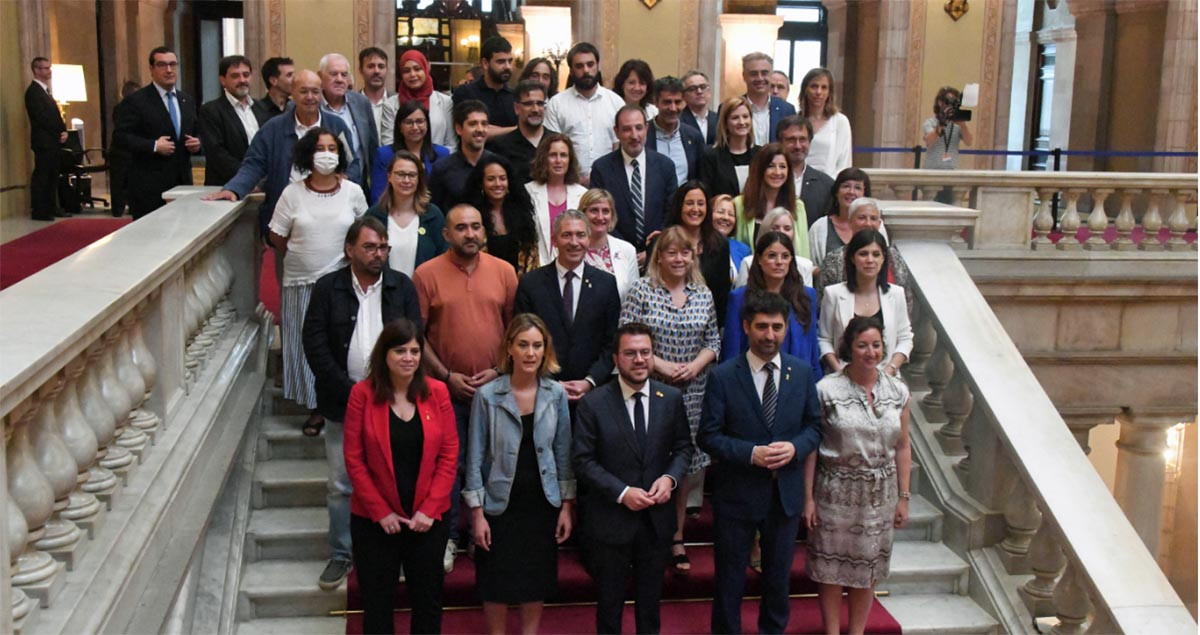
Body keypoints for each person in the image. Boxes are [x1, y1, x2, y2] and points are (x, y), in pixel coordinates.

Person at [302, 216, 422, 592]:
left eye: (384, 247)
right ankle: (342, 553)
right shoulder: (327, 288)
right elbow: (315, 343)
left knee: (398, 477)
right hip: (343, 401)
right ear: (349, 250)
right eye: (370, 247)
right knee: (341, 482)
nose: (379, 254)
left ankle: (398, 553)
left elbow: (413, 337)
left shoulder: (401, 286)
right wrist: (350, 389)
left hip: (396, 400)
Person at [697, 291, 822, 634]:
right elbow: (707, 437)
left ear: (786, 330)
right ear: (746, 327)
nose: (770, 335)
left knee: (778, 581)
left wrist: (796, 448)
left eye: (777, 327)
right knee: (729, 581)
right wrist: (751, 453)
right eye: (762, 327)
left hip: (784, 496)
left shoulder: (801, 373)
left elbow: (814, 427)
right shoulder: (722, 376)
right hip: (736, 495)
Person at [413, 204, 518, 572]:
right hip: (445, 391)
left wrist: (498, 370)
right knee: (450, 465)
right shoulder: (426, 275)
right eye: (461, 227)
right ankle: (450, 538)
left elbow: (515, 331)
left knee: (493, 463)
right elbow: (417, 337)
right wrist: (445, 376)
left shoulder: (505, 272)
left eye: (476, 227)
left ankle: (484, 534)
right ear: (446, 233)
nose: (470, 234)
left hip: (496, 388)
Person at [572, 322, 693, 634]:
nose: (639, 360)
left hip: (656, 521)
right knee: (609, 606)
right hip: (610, 520)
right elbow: (583, 461)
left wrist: (670, 479)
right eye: (630, 353)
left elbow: (683, 449)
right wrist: (622, 492)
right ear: (615, 359)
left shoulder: (671, 398)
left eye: (645, 353)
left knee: (650, 606)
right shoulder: (593, 403)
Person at [343, 318, 457, 634]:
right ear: (384, 355)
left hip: (427, 520)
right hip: (374, 522)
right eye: (399, 351)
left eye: (414, 351)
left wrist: (429, 510)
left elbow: (449, 456)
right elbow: (354, 460)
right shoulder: (361, 395)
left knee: (428, 602)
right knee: (377, 605)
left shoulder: (438, 392)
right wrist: (381, 512)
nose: (408, 358)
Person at [464, 314, 575, 635]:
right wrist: (477, 513)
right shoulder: (487, 396)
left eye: (537, 346)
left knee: (535, 578)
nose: (530, 353)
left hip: (542, 502)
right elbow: (475, 456)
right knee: (495, 579)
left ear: (545, 351)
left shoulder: (556, 394)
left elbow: (563, 452)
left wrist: (567, 505)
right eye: (523, 345)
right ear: (509, 348)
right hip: (500, 504)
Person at [620, 226, 720, 575]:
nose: (679, 259)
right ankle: (640, 536)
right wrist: (658, 365)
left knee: (683, 465)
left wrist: (694, 365)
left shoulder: (703, 294)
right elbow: (627, 335)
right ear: (659, 256)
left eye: (685, 253)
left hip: (692, 392)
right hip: (647, 386)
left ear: (693, 257)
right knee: (646, 460)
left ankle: (676, 536)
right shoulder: (641, 290)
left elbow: (713, 341)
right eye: (671, 252)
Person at [805, 316, 911, 635]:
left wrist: (903, 497)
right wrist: (807, 498)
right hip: (834, 490)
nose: (870, 352)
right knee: (832, 569)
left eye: (876, 345)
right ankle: (832, 631)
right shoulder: (826, 389)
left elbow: (903, 446)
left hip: (881, 492)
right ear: (848, 347)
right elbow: (811, 446)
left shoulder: (898, 391)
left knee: (868, 568)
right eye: (862, 345)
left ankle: (857, 631)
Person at [271, 127, 369, 436]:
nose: (326, 153)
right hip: (301, 282)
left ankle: (346, 404)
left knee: (342, 345)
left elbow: (364, 232)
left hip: (342, 282)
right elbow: (277, 235)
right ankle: (314, 407)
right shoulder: (292, 193)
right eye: (319, 147)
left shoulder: (353, 191)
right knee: (306, 347)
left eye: (332, 148)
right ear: (307, 154)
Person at [205, 70, 361, 247]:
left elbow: (354, 163)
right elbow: (254, 164)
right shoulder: (273, 128)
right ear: (292, 93)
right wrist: (234, 189)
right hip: (289, 220)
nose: (310, 97)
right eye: (303, 91)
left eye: (315, 91)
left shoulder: (336, 126)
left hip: (331, 218)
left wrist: (344, 178)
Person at [515, 210, 621, 402]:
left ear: (589, 239)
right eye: (566, 235)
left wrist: (590, 381)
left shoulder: (606, 284)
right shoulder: (531, 283)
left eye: (580, 235)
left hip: (593, 395)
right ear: (554, 240)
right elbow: (521, 340)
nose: (574, 242)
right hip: (541, 392)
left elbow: (612, 342)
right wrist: (550, 383)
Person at [113, 46, 201, 219]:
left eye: (173, 65)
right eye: (162, 65)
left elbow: (196, 131)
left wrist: (197, 143)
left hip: (182, 183)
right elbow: (120, 138)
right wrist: (153, 145)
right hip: (149, 186)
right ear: (151, 69)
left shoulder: (187, 100)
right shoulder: (136, 101)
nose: (169, 70)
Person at [723, 232, 821, 379]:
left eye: (785, 256)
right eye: (772, 256)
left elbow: (812, 348)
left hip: (798, 380)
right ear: (759, 260)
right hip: (751, 379)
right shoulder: (739, 298)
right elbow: (732, 351)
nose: (779, 262)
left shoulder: (807, 297)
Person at [818, 230, 912, 376]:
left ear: (883, 259)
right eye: (863, 254)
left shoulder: (896, 294)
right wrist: (840, 372)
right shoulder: (833, 294)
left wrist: (890, 369)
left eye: (876, 254)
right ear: (852, 258)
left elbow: (905, 338)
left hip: (887, 378)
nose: (870, 260)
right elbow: (824, 339)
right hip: (842, 378)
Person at [590, 106, 679, 258]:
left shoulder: (665, 166)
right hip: (616, 254)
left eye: (639, 128)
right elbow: (600, 214)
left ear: (647, 128)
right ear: (616, 132)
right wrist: (626, 251)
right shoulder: (602, 168)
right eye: (626, 129)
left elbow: (671, 212)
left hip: (658, 255)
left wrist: (652, 250)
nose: (634, 135)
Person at [649, 181, 732, 324]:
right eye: (689, 203)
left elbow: (721, 295)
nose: (695, 209)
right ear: (679, 206)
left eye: (700, 203)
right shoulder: (660, 241)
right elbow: (651, 283)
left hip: (704, 325)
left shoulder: (720, 245)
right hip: (661, 321)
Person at [543, 42, 625, 180]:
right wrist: (575, 179)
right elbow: (552, 147)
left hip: (608, 181)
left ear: (598, 66)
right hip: (569, 183)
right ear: (571, 70)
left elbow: (620, 145)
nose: (586, 70)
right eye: (579, 66)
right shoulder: (557, 104)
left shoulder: (615, 102)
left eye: (590, 64)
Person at [817, 197, 910, 312]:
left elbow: (906, 301)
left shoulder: (893, 257)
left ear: (879, 223)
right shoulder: (834, 259)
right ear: (850, 222)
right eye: (862, 218)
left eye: (873, 218)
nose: (868, 223)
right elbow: (823, 304)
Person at [365, 151, 447, 277]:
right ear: (389, 177)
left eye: (412, 175)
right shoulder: (374, 215)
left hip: (423, 292)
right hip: (383, 292)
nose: (406, 180)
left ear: (419, 179)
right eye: (400, 174)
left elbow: (444, 257)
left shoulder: (433, 215)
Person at [199, 55, 270, 186]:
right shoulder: (211, 111)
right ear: (223, 80)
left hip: (262, 186)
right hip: (226, 186)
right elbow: (217, 154)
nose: (242, 80)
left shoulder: (262, 108)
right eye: (235, 76)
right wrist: (249, 177)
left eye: (246, 74)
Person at [466, 153, 540, 276]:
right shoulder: (471, 216)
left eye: (502, 178)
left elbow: (532, 258)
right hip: (483, 286)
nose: (498, 184)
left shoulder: (522, 214)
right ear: (481, 183)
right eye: (491, 179)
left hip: (519, 287)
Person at [734, 143, 811, 259]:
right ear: (760, 169)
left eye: (782, 166)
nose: (777, 172)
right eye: (771, 166)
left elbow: (804, 253)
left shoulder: (797, 206)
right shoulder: (739, 204)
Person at [319, 53, 379, 192]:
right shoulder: (312, 105)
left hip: (358, 186)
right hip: (322, 186)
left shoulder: (361, 103)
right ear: (321, 76)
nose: (339, 79)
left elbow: (372, 146)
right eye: (333, 74)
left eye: (344, 74)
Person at [371, 100, 451, 201]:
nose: (415, 127)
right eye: (409, 122)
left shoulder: (442, 154)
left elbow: (446, 195)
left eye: (420, 121)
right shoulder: (384, 155)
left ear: (427, 124)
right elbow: (378, 197)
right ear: (400, 126)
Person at [525, 133, 586, 264]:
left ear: (570, 160)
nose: (558, 160)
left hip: (573, 265)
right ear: (544, 158)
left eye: (563, 155)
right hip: (538, 266)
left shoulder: (582, 194)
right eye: (553, 155)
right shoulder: (528, 192)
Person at [809, 167, 882, 271]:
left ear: (864, 194)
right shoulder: (819, 227)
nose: (851, 192)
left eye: (857, 188)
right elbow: (808, 266)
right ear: (836, 192)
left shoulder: (876, 224)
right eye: (846, 186)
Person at [382, 50, 456, 148]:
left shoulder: (445, 102)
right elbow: (388, 144)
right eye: (406, 71)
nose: (412, 74)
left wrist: (438, 162)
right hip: (401, 161)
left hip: (439, 162)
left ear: (426, 69)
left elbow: (451, 143)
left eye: (417, 69)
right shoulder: (390, 105)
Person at [429, 99, 495, 212]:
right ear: (459, 129)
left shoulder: (498, 165)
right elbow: (435, 211)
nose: (480, 129)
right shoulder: (442, 169)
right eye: (473, 124)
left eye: (484, 124)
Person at [486, 80, 553, 185]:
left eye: (540, 103)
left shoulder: (556, 142)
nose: (535, 109)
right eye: (528, 104)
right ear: (517, 108)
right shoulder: (501, 147)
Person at [25, 56, 67, 221]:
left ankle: (51, 207)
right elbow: (42, 117)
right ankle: (40, 210)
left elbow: (55, 115)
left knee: (52, 175)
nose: (49, 71)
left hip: (52, 141)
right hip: (44, 141)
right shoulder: (33, 92)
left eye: (49, 68)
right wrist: (58, 131)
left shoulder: (45, 91)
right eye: (45, 68)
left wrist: (63, 130)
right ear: (36, 70)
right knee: (43, 176)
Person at [581, 188, 639, 300]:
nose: (600, 217)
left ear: (612, 215)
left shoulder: (627, 250)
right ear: (583, 214)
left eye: (606, 211)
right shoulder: (572, 248)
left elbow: (633, 297)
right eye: (594, 210)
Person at [645, 76, 705, 185]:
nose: (673, 108)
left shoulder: (693, 137)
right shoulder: (643, 134)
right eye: (667, 102)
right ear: (656, 102)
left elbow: (700, 177)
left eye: (677, 102)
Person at [734, 207, 814, 288]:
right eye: (775, 228)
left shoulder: (805, 266)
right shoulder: (748, 263)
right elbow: (741, 297)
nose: (781, 232)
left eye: (787, 228)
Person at [452, 35, 517, 136]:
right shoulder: (466, 93)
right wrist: (516, 130)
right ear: (485, 63)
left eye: (510, 61)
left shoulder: (515, 96)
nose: (507, 67)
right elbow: (473, 133)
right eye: (501, 62)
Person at [778, 115, 835, 228]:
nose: (798, 146)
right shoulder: (769, 179)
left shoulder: (826, 185)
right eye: (791, 140)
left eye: (803, 139)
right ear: (779, 142)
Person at [796, 67, 852, 178]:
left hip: (828, 184)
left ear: (829, 92)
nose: (818, 92)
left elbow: (844, 162)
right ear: (805, 89)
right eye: (814, 86)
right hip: (798, 183)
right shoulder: (796, 120)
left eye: (824, 87)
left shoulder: (840, 121)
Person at [698, 96, 759, 197]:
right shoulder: (711, 157)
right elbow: (707, 195)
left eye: (745, 116)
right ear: (725, 123)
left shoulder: (761, 154)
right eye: (735, 118)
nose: (742, 122)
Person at [741, 52, 795, 146]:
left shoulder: (787, 110)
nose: (760, 78)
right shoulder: (730, 108)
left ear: (771, 75)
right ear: (744, 76)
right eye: (754, 74)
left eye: (764, 73)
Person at [922, 86, 974, 176]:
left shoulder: (958, 125)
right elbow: (929, 141)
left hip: (952, 172)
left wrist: (963, 125)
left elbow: (969, 142)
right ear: (940, 103)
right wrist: (942, 123)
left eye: (954, 103)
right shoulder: (930, 122)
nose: (951, 106)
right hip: (931, 172)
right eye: (948, 102)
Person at [108, 80, 141, 218]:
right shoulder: (126, 109)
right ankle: (123, 207)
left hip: (123, 150)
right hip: (124, 150)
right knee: (123, 181)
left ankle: (119, 208)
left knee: (121, 182)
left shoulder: (119, 107)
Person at [358, 47, 395, 143]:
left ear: (387, 70)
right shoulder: (352, 104)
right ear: (361, 71)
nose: (376, 71)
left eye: (381, 66)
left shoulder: (398, 102)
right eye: (370, 66)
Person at [680, 70, 719, 145]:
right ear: (683, 95)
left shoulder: (719, 119)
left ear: (709, 92)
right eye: (692, 88)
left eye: (703, 87)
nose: (699, 91)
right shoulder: (678, 120)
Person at [254, 56, 294, 121]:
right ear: (273, 81)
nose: (294, 80)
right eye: (289, 75)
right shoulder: (258, 110)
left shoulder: (296, 108)